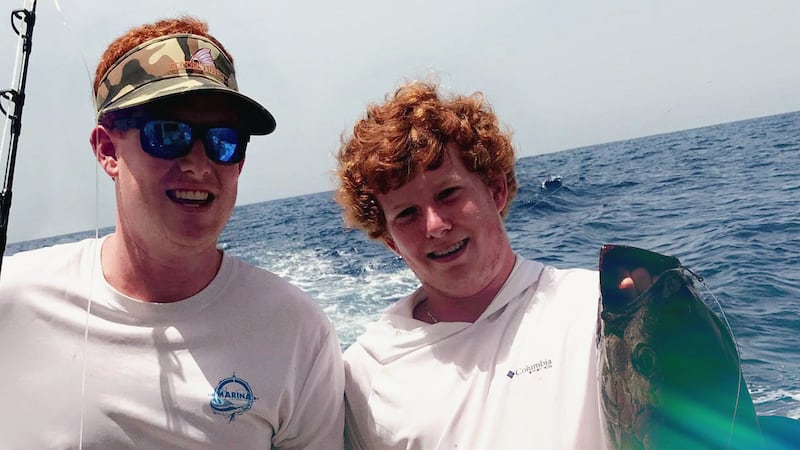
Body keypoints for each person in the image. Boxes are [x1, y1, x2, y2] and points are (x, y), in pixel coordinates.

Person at [0, 17, 344, 449]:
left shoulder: (299, 332)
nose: (199, 165)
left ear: (239, 162)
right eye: (168, 134)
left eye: (224, 140)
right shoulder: (12, 298)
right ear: (108, 151)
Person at [334, 80, 653, 449]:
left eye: (448, 194)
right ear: (391, 242)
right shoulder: (364, 372)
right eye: (407, 214)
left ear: (496, 191)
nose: (435, 226)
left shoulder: (606, 309)